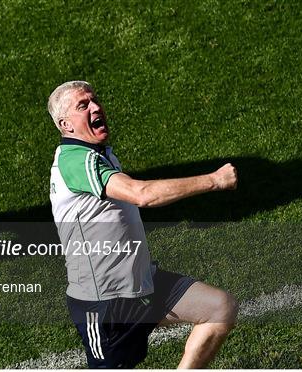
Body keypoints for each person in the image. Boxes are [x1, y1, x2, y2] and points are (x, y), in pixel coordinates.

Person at [48, 81, 239, 368]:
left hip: (143, 283)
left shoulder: (99, 154)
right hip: (107, 303)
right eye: (83, 105)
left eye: (95, 100)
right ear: (66, 124)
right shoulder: (76, 161)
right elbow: (142, 195)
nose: (96, 107)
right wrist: (214, 180)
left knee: (220, 308)